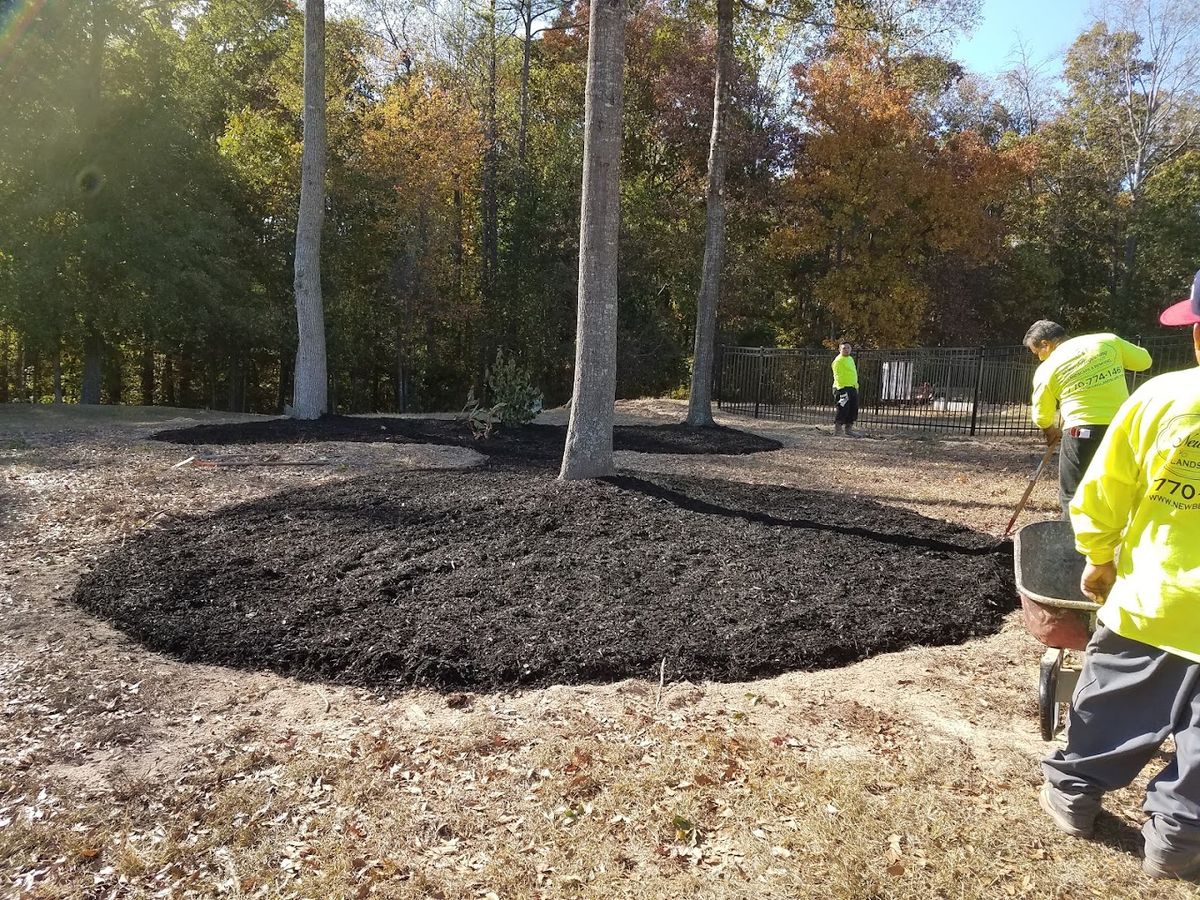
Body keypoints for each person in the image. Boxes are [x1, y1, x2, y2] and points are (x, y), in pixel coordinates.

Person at [1039, 270, 1200, 881]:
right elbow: (1134, 354)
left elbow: (1101, 494)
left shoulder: (1167, 397)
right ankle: (1181, 838)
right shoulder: (1117, 352)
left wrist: (1099, 557)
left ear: (1198, 336)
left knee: (1113, 697)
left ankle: (1076, 793)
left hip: (1156, 597)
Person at [1024, 321, 1152, 517]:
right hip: (1122, 428)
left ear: (1045, 344)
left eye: (1037, 353)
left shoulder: (1047, 368)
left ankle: (1072, 543)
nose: (1039, 359)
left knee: (1073, 493)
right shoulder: (1108, 341)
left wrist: (1050, 430)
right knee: (1116, 489)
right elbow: (1144, 361)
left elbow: (1041, 414)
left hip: (1080, 432)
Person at [832, 341, 859, 436]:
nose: (846, 350)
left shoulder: (850, 359)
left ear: (851, 349)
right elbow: (837, 375)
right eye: (844, 348)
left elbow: (853, 373)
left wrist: (856, 386)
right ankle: (838, 430)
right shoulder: (838, 361)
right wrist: (841, 390)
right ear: (840, 350)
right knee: (843, 408)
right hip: (842, 388)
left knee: (853, 408)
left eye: (848, 348)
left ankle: (849, 429)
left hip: (852, 387)